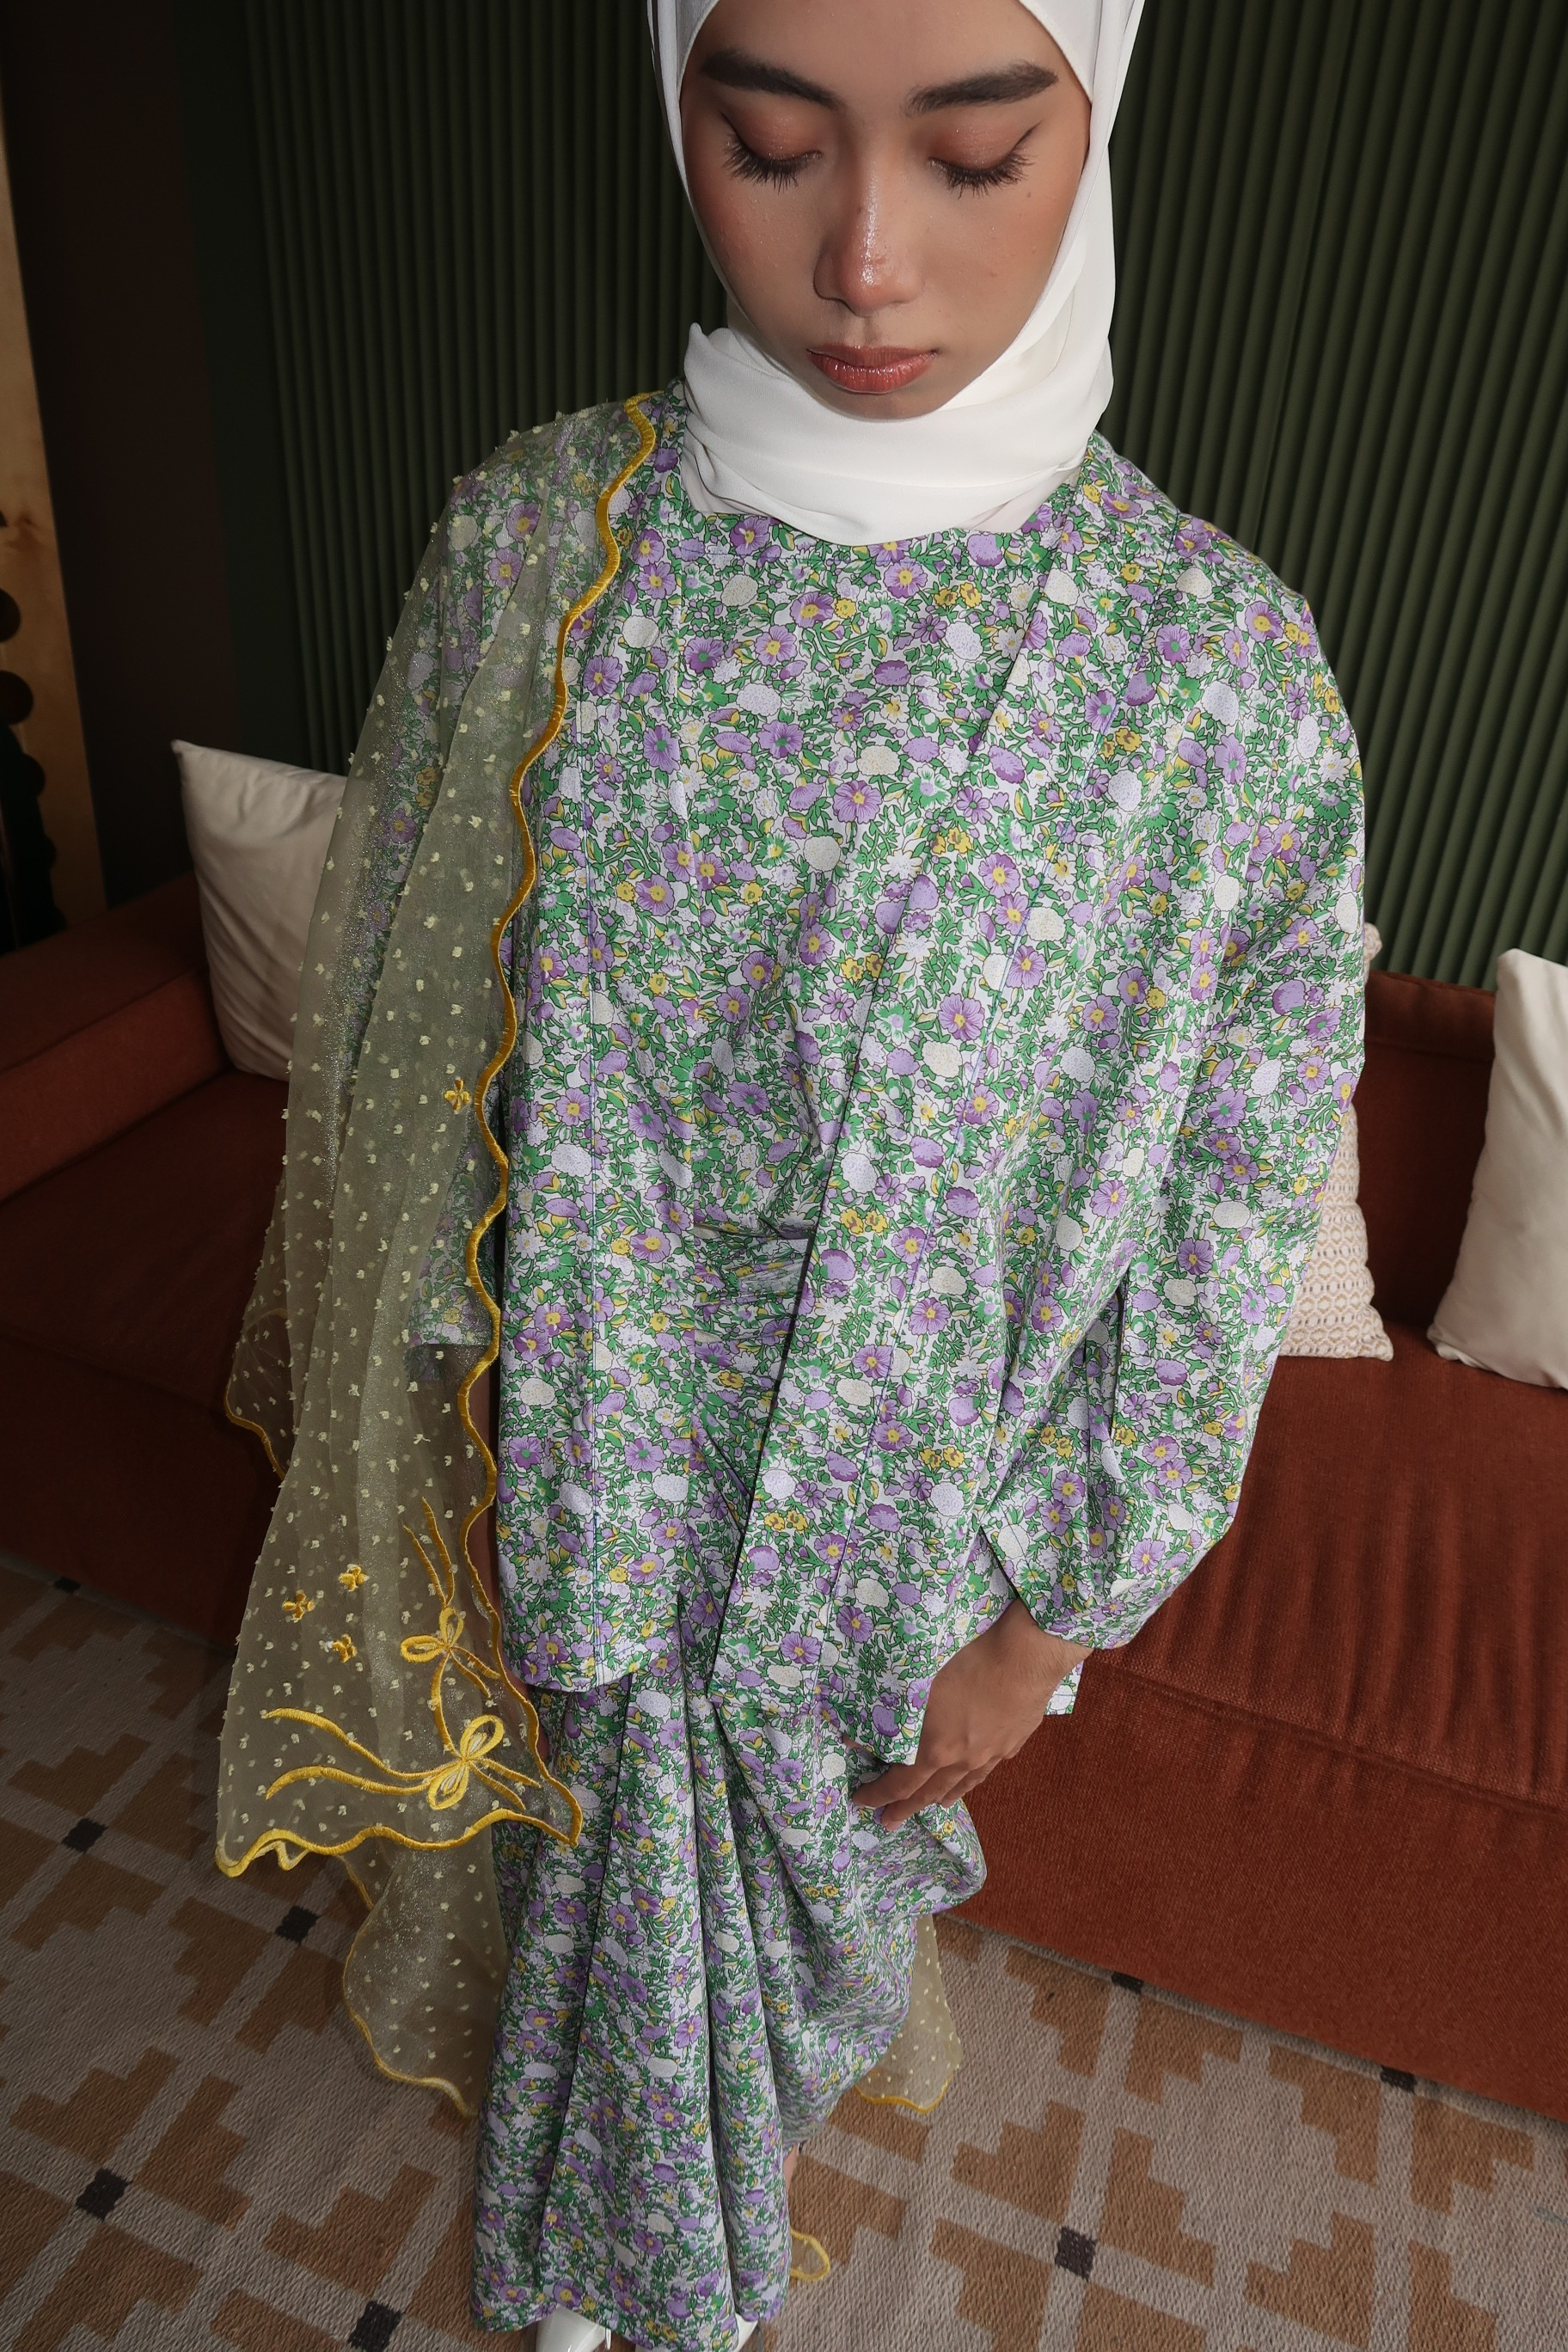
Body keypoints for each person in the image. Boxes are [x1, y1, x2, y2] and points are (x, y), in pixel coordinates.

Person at [216, 2, 1366, 2347]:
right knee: (580, 1929)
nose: (862, 259)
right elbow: (409, 1050)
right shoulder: (541, 545)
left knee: (767, 1976)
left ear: (1096, 130)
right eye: (765, 146)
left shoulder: (1213, 682)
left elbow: (1230, 1210)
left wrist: (1058, 1613)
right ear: (680, 117)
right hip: (572, 1494)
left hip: (903, 1553)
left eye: (973, 157)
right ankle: (627, 2279)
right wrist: (419, 1425)